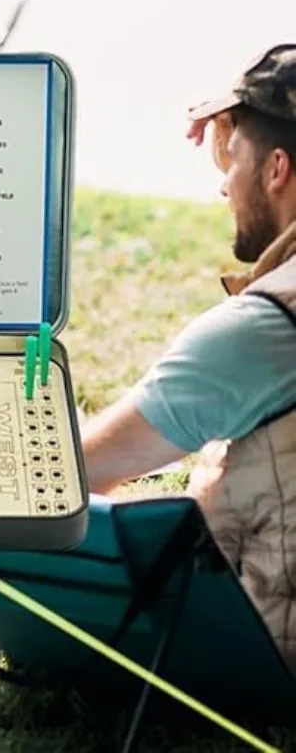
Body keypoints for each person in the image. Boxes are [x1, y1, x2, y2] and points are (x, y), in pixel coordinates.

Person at [81, 43, 296, 667]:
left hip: (265, 652)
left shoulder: (261, 328)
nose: (222, 183)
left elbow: (77, 477)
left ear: (277, 169)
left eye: (232, 161)